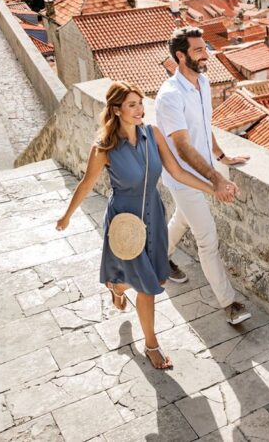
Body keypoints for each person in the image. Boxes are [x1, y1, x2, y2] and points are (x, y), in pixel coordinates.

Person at [56, 81, 225, 370]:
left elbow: (177, 172)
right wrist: (67, 216)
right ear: (116, 110)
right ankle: (152, 345)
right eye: (131, 105)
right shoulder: (104, 148)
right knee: (148, 286)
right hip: (125, 221)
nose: (139, 110)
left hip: (153, 216)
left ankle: (118, 285)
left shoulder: (152, 134)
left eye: (140, 103)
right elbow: (85, 184)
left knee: (155, 279)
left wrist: (214, 188)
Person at [156, 26, 252, 325]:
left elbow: (204, 126)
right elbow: (183, 147)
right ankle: (229, 303)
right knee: (207, 239)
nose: (205, 55)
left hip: (204, 170)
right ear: (180, 56)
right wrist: (217, 179)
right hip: (184, 179)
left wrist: (222, 157)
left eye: (204, 49)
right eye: (198, 50)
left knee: (181, 220)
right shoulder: (170, 96)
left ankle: (158, 259)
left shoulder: (204, 83)